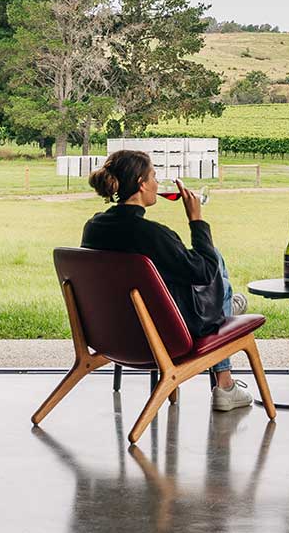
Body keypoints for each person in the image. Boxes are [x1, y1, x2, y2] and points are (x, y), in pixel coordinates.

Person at [82, 149, 254, 412]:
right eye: (153, 176)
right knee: (214, 259)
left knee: (206, 263)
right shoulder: (153, 236)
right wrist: (196, 219)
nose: (156, 184)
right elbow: (204, 272)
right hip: (163, 334)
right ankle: (225, 373)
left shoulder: (93, 227)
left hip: (112, 334)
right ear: (141, 184)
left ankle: (227, 304)